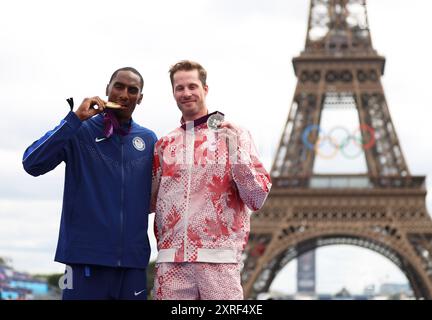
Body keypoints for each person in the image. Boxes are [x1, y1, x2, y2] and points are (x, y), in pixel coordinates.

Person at [22, 67, 157, 300]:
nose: (124, 94)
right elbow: (32, 163)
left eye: (132, 90)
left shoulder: (148, 139)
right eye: (119, 86)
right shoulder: (79, 130)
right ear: (107, 89)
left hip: (133, 264)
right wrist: (73, 119)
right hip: (84, 259)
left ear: (140, 98)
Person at [151, 60, 272, 300]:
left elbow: (257, 198)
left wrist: (236, 150)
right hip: (171, 263)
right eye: (180, 88)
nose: (186, 93)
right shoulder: (164, 145)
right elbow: (145, 201)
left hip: (218, 261)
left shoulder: (236, 134)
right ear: (173, 92)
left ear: (205, 89)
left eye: (192, 86)